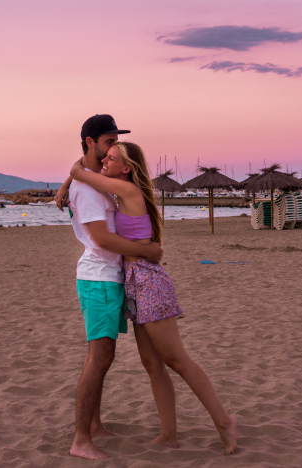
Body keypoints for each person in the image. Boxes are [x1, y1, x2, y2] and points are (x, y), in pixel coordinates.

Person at [69, 141, 237, 455]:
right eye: (105, 155)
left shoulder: (128, 192)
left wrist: (72, 174)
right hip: (133, 283)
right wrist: (66, 187)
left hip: (147, 282)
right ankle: (169, 435)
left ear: (127, 168)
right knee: (152, 364)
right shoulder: (122, 192)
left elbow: (84, 172)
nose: (105, 160)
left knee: (177, 360)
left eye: (112, 158)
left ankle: (224, 421)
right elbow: (89, 178)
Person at [55, 115, 163, 461]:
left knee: (102, 357)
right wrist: (147, 251)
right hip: (99, 278)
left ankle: (96, 425)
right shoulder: (88, 190)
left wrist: (65, 182)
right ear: (89, 142)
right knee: (99, 358)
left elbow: (78, 172)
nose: (109, 152)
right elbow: (101, 239)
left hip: (107, 277)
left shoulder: (92, 180)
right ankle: (81, 439)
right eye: (106, 143)